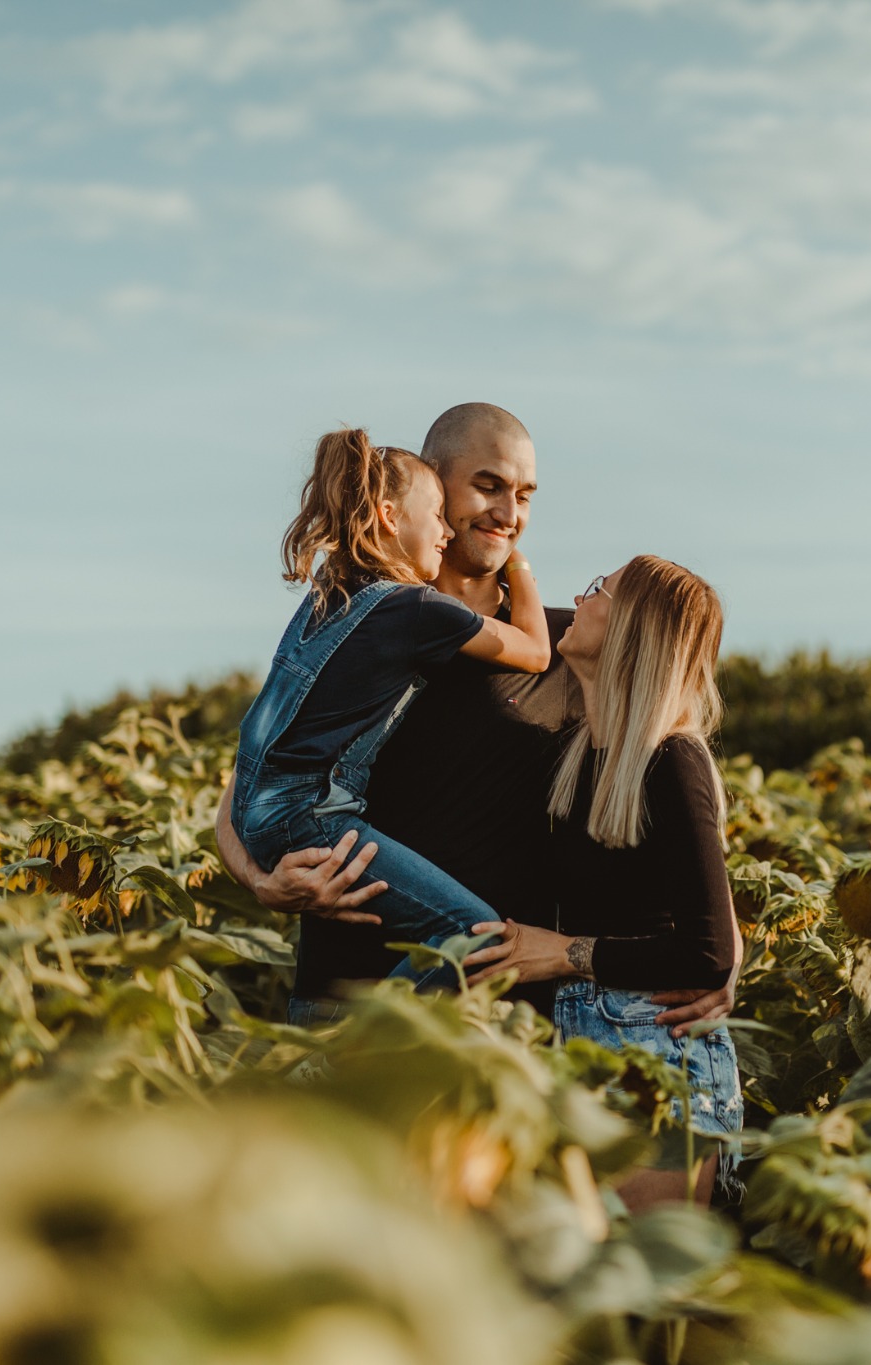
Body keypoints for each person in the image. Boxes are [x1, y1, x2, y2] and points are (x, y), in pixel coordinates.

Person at [219, 405, 737, 1035]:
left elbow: (679, 762)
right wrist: (260, 880)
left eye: (524, 496)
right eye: (488, 486)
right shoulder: (360, 623)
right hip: (344, 994)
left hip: (504, 1013)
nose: (509, 514)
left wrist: (722, 959)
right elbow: (252, 776)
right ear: (432, 485)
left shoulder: (570, 642)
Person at [222, 425, 551, 989]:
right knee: (475, 937)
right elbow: (535, 652)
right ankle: (370, 1043)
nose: (448, 532)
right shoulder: (418, 611)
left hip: (269, 812)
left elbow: (257, 767)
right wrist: (518, 565)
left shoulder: (332, 593)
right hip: (319, 845)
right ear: (393, 515)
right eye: (444, 512)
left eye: (523, 496)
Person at [460, 556, 744, 1207]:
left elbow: (709, 952)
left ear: (629, 631)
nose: (577, 599)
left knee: (648, 1300)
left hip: (658, 1062)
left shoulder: (671, 759)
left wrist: (560, 952)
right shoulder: (582, 754)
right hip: (585, 1055)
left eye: (597, 591)